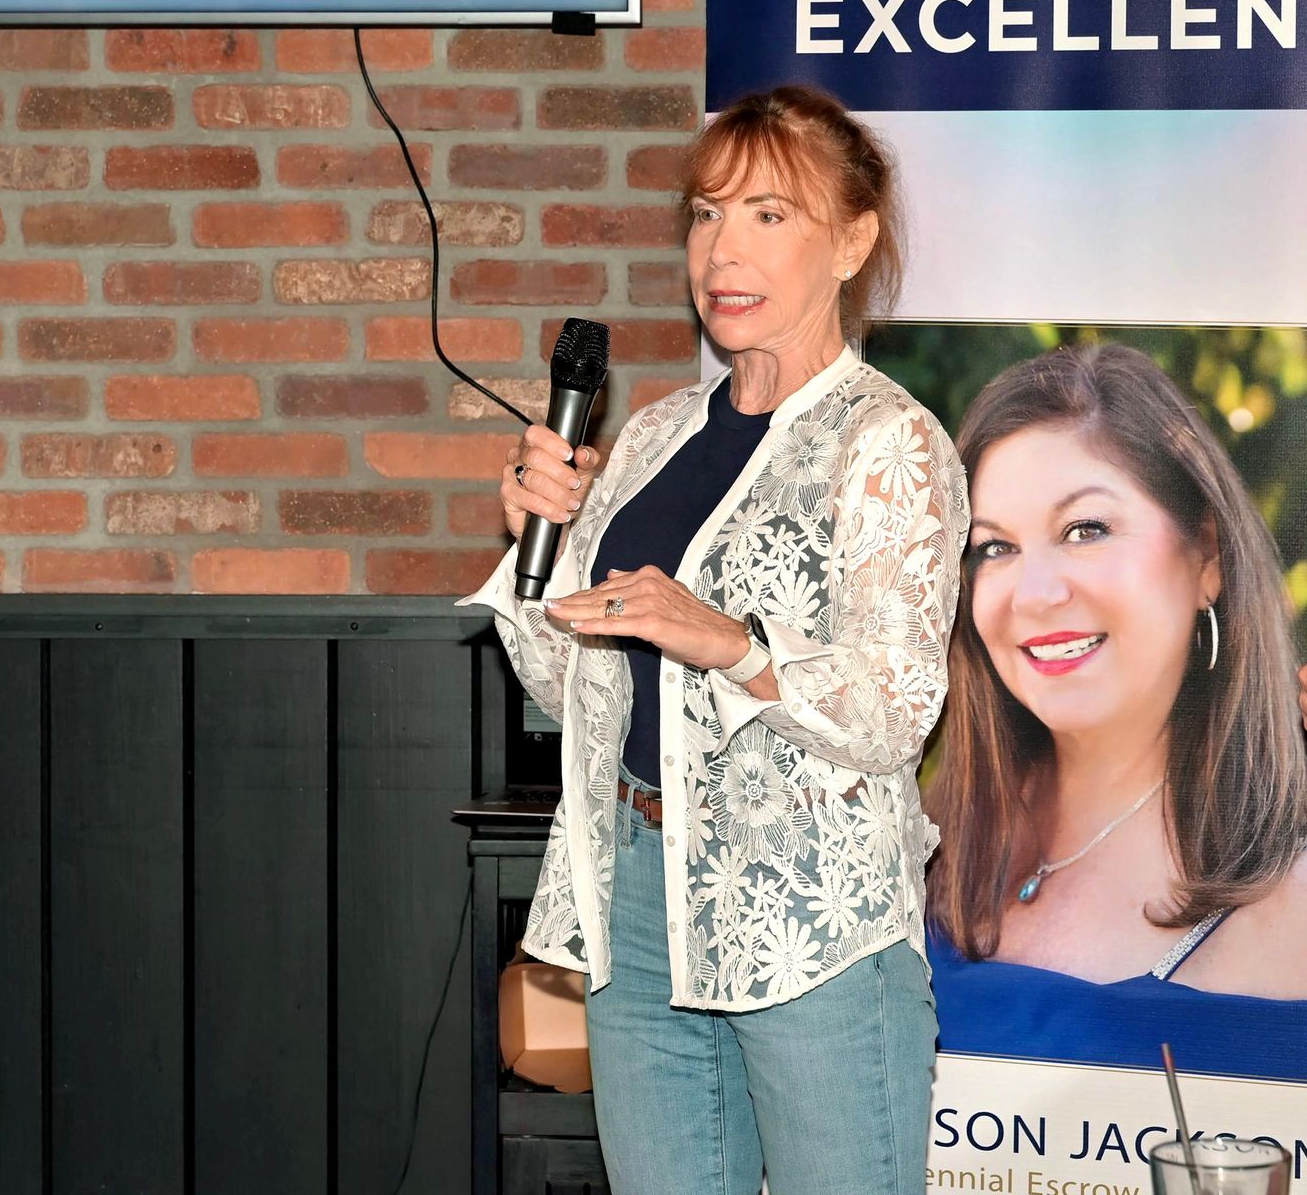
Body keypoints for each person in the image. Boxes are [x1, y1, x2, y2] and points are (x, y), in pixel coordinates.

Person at [458, 85, 968, 1194]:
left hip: (810, 920)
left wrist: (730, 642)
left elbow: (895, 714)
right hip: (639, 900)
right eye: (706, 214)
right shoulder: (650, 437)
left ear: (852, 243)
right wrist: (539, 550)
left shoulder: (888, 441)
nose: (722, 251)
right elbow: (570, 686)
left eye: (768, 215)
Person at [926, 344, 1307, 1081]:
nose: (1035, 593)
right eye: (994, 548)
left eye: (1086, 530)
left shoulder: (1289, 886)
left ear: (1206, 557)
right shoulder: (918, 846)